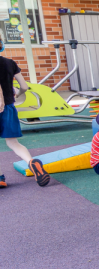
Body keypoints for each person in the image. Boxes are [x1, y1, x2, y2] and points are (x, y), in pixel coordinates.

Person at [0, 38, 50, 188]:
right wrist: (16, 94)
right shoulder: (10, 63)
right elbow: (24, 86)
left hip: (1, 103)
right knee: (13, 143)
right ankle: (31, 162)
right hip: (9, 107)